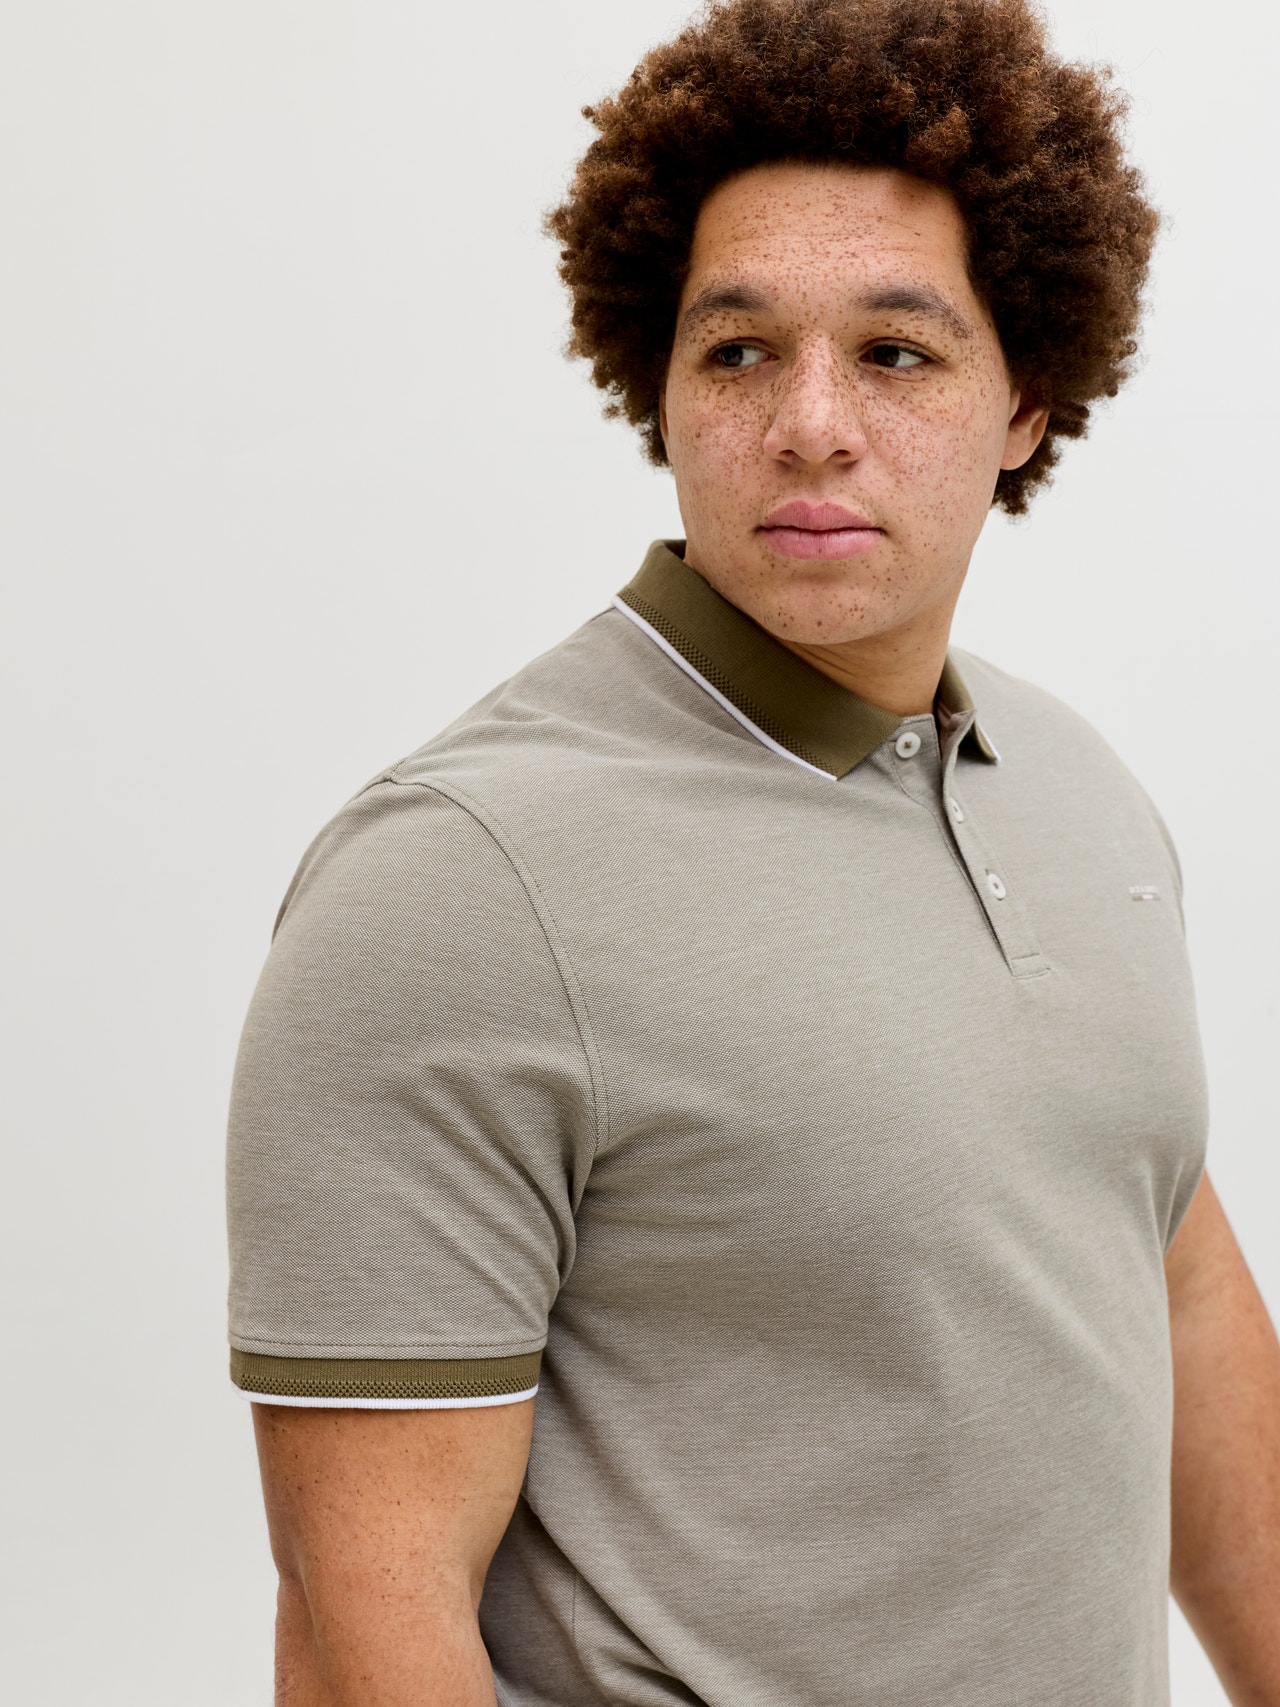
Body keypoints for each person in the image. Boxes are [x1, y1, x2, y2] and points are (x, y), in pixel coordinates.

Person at [226, 1, 1280, 1701]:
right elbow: (364, 1620)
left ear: (1026, 399)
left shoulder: (1078, 790)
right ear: (656, 386)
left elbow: (1173, 1284)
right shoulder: (460, 878)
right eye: (736, 353)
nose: (809, 424)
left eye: (896, 353)